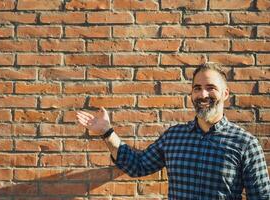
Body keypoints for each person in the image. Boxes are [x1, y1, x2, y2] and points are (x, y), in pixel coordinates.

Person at [76, 62, 270, 200]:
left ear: (225, 93)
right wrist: (107, 133)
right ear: (191, 94)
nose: (203, 94)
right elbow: (138, 165)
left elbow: (261, 196)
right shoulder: (174, 137)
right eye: (197, 88)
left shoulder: (245, 144)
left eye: (211, 88)